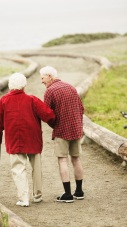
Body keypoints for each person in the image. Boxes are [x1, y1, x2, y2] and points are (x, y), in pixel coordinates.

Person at [0, 72, 55, 207]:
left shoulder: (3, 101)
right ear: (24, 86)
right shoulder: (32, 100)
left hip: (14, 140)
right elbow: (49, 115)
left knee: (18, 168)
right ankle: (37, 195)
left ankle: (23, 198)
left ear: (10, 86)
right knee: (36, 167)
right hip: (33, 138)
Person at [39, 66, 84, 203]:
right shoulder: (71, 87)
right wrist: (78, 124)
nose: (41, 81)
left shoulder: (50, 91)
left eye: (42, 78)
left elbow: (47, 114)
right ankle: (79, 191)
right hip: (76, 129)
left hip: (62, 130)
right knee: (76, 159)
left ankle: (68, 194)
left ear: (50, 76)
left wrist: (54, 125)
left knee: (62, 159)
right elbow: (81, 108)